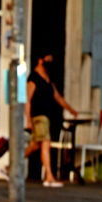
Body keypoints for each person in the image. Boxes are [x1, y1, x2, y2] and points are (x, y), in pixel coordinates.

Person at [24, 52, 77, 188]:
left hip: (47, 117)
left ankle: (11, 165)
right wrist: (28, 120)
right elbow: (28, 100)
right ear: (40, 60)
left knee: (35, 145)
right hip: (38, 116)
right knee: (45, 143)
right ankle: (49, 176)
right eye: (48, 59)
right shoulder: (33, 78)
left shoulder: (47, 78)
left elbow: (57, 97)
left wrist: (71, 109)